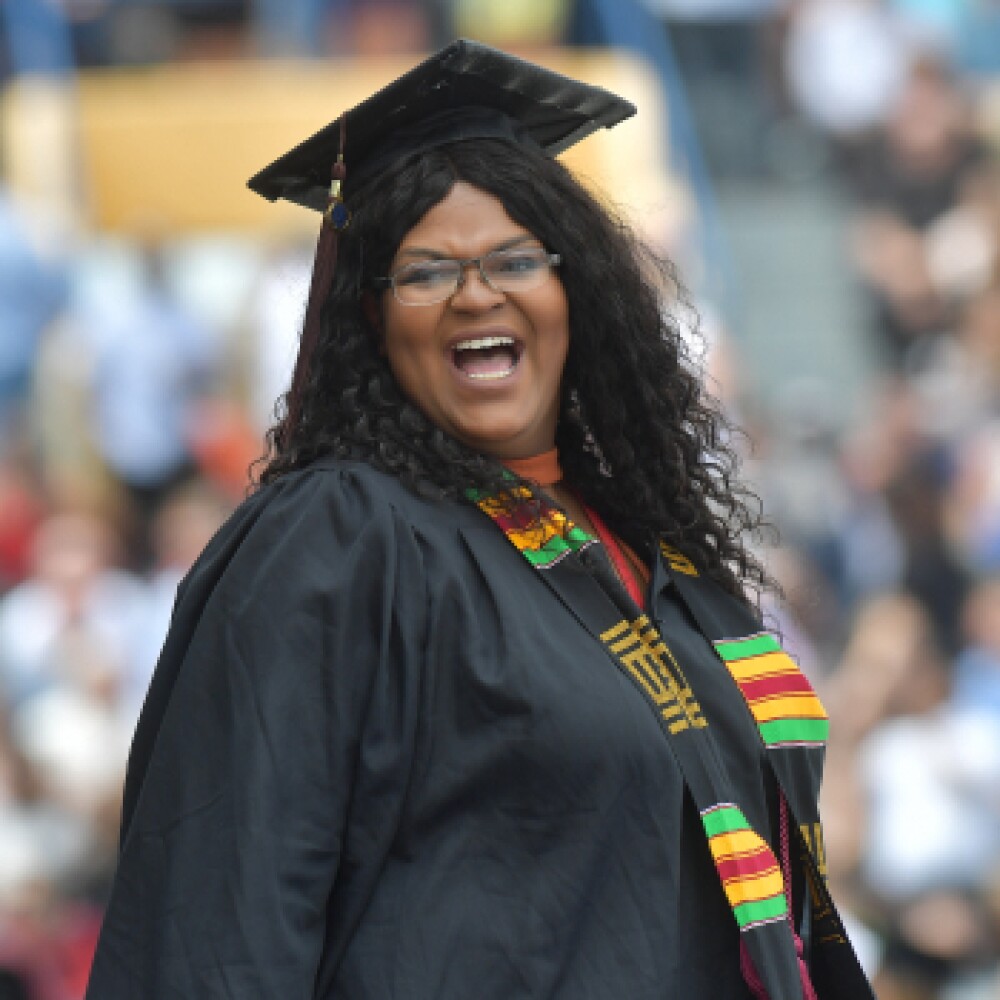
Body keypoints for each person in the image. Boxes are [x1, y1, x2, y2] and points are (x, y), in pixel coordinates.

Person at [84, 40, 875, 999]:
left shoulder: (659, 563)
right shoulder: (342, 540)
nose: (475, 293)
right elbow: (221, 922)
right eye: (424, 272)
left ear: (575, 291)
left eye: (513, 259)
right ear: (367, 317)